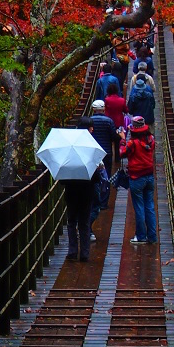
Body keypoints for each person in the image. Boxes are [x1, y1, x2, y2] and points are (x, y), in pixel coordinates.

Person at [61, 116, 102, 262]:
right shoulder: (89, 147)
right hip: (87, 191)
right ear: (89, 128)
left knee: (71, 221)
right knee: (84, 222)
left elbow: (62, 180)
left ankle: (72, 251)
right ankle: (84, 253)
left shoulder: (68, 147)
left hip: (71, 191)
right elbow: (96, 178)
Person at [120, 116, 157, 244]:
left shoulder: (132, 143)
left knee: (139, 207)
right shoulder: (151, 140)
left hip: (136, 177)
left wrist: (123, 140)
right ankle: (152, 236)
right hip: (149, 176)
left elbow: (122, 153)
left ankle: (141, 236)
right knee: (150, 206)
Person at [90, 99, 116, 178]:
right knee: (107, 174)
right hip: (106, 151)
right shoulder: (109, 121)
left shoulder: (90, 121)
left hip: (93, 152)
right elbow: (113, 136)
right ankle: (106, 189)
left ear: (93, 109)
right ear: (104, 109)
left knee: (94, 174)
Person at [103, 83, 126, 163]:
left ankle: (109, 157)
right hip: (118, 123)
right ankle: (117, 158)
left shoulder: (106, 100)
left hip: (108, 123)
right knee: (118, 141)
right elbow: (126, 110)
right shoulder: (122, 100)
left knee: (108, 140)